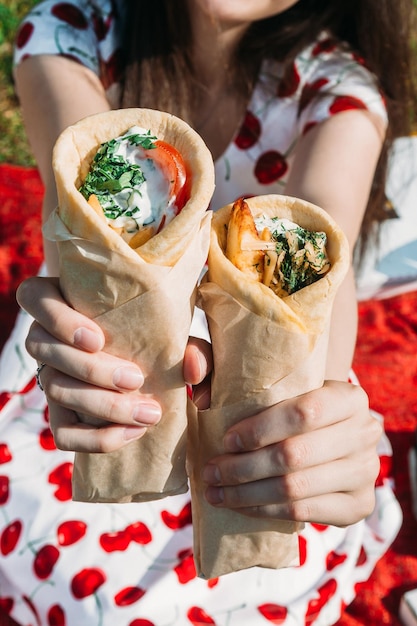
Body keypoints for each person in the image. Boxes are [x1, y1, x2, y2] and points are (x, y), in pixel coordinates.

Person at [1, 0, 414, 624]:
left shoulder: (339, 96)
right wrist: (83, 341)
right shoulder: (67, 33)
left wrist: (323, 420)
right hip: (91, 391)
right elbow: (87, 220)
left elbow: (330, 262)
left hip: (243, 445)